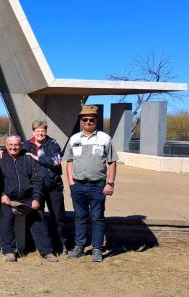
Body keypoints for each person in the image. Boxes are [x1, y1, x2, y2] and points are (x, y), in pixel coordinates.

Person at [0, 119, 66, 254]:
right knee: (36, 216)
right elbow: (14, 147)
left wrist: (37, 158)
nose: (40, 133)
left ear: (46, 131)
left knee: (57, 217)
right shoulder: (27, 144)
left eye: (43, 130)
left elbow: (57, 161)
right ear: (33, 132)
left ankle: (59, 244)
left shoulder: (52, 144)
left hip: (51, 185)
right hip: (36, 188)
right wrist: (1, 150)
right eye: (37, 130)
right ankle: (31, 244)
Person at [64, 105, 118, 262]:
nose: (88, 122)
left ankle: (96, 249)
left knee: (97, 218)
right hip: (78, 186)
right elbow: (69, 162)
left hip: (98, 186)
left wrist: (110, 183)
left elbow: (112, 162)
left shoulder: (105, 138)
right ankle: (79, 247)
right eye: (85, 119)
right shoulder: (74, 139)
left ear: (96, 120)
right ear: (81, 120)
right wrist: (71, 182)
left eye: (91, 119)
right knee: (79, 217)